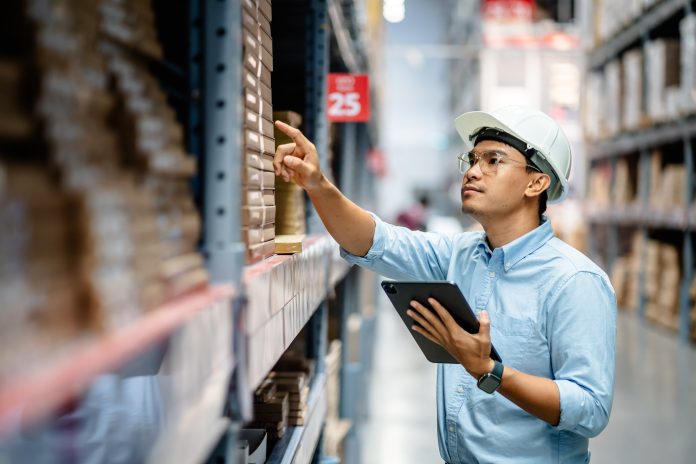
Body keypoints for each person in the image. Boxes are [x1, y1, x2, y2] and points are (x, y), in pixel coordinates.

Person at [273, 106, 616, 463]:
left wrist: (491, 372)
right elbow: (375, 241)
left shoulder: (575, 281)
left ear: (536, 182)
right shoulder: (461, 254)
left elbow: (590, 409)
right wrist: (317, 184)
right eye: (472, 159)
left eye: (493, 160)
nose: (472, 171)